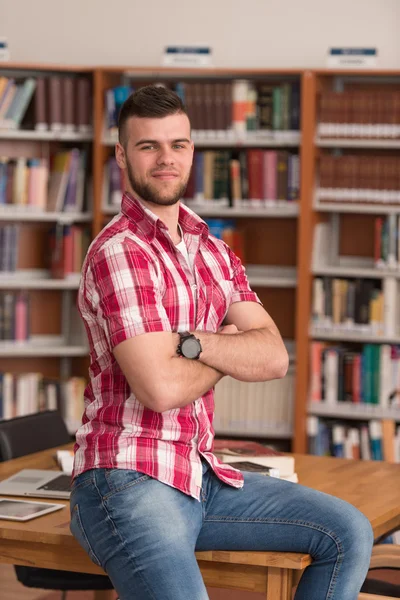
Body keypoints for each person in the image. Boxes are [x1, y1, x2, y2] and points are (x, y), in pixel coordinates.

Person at [70, 85, 373, 600]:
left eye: (179, 144)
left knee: (347, 531)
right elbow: (160, 389)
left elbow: (274, 357)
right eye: (148, 146)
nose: (167, 159)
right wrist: (226, 346)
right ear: (122, 155)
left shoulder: (213, 250)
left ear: (192, 150)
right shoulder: (119, 253)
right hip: (125, 478)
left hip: (200, 472)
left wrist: (189, 344)